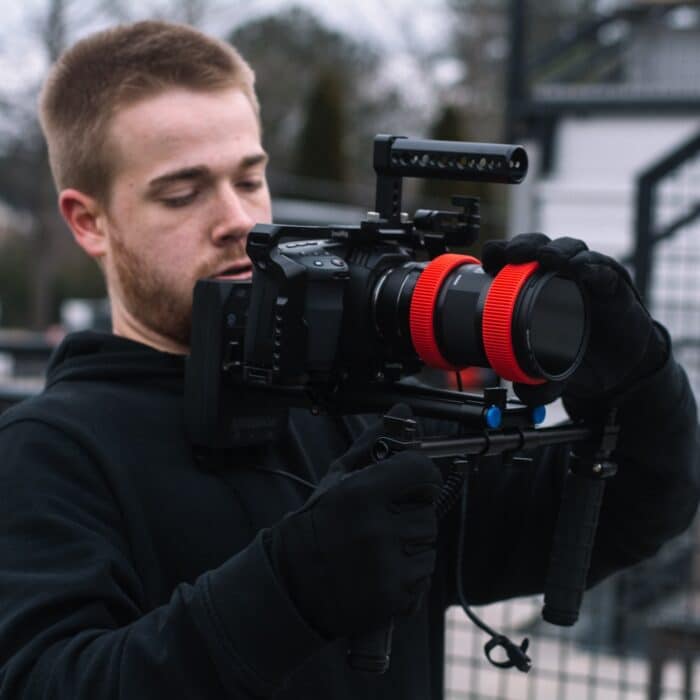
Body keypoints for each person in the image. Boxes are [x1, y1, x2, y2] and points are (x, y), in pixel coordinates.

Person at [0, 20, 697, 700]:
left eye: (249, 180)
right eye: (182, 193)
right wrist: (287, 591)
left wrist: (637, 378)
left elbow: (635, 512)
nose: (237, 220)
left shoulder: (357, 409)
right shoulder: (48, 455)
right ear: (88, 221)